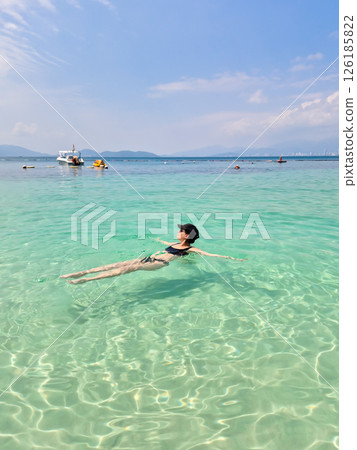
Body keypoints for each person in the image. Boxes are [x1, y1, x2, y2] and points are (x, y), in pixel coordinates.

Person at [61, 223, 247, 284]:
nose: (178, 231)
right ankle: (83, 272)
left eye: (181, 230)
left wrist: (233, 258)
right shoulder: (174, 242)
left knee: (129, 269)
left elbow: (210, 254)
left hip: (159, 264)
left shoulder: (190, 248)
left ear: (187, 235)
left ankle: (85, 280)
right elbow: (164, 242)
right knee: (117, 264)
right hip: (150, 257)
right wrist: (154, 238)